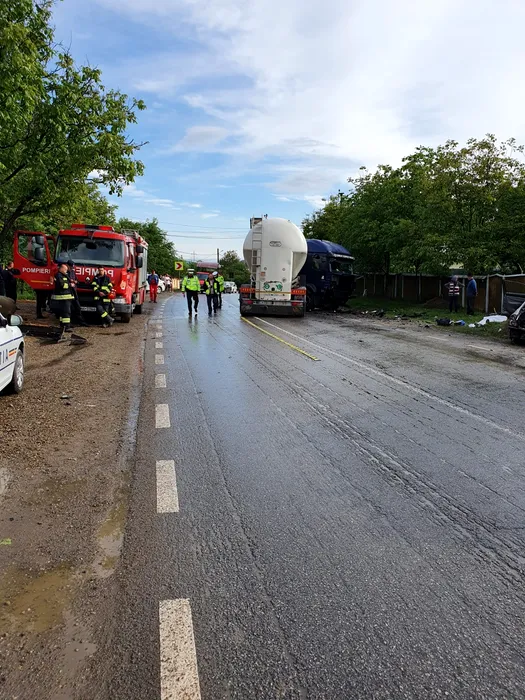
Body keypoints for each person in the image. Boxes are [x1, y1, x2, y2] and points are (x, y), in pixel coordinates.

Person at [51, 262, 75, 338]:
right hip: (63, 297)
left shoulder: (64, 275)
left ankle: (62, 326)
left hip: (66, 297)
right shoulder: (58, 275)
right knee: (66, 312)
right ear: (61, 268)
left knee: (63, 313)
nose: (66, 271)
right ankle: (66, 326)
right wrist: (70, 285)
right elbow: (62, 285)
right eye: (65, 269)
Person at [67, 259, 88, 326]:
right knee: (69, 309)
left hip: (74, 292)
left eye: (72, 267)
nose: (71, 268)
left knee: (78, 308)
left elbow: (77, 281)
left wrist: (75, 281)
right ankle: (70, 323)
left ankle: (81, 322)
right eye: (71, 267)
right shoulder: (65, 272)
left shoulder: (73, 272)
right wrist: (70, 283)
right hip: (68, 293)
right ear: (67, 266)